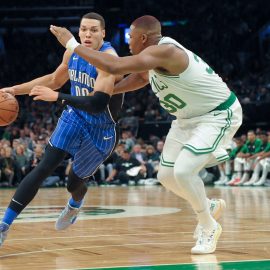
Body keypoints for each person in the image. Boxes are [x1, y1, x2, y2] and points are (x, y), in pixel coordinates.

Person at [48, 15, 242, 254]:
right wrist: (109, 91)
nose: (128, 42)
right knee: (166, 176)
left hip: (217, 115)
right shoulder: (151, 60)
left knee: (183, 171)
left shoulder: (166, 52)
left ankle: (208, 225)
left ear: (143, 38)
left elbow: (115, 66)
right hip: (186, 119)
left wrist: (71, 43)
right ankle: (207, 205)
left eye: (131, 37)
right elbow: (140, 78)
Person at [0, 12, 124, 246]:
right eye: (84, 29)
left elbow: (98, 104)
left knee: (73, 183)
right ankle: (4, 225)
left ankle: (75, 205)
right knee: (43, 167)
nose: (88, 34)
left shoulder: (109, 60)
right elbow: (55, 79)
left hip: (101, 128)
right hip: (74, 116)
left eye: (94, 30)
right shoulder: (72, 51)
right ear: (78, 31)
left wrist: (57, 97)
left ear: (103, 33)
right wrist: (13, 90)